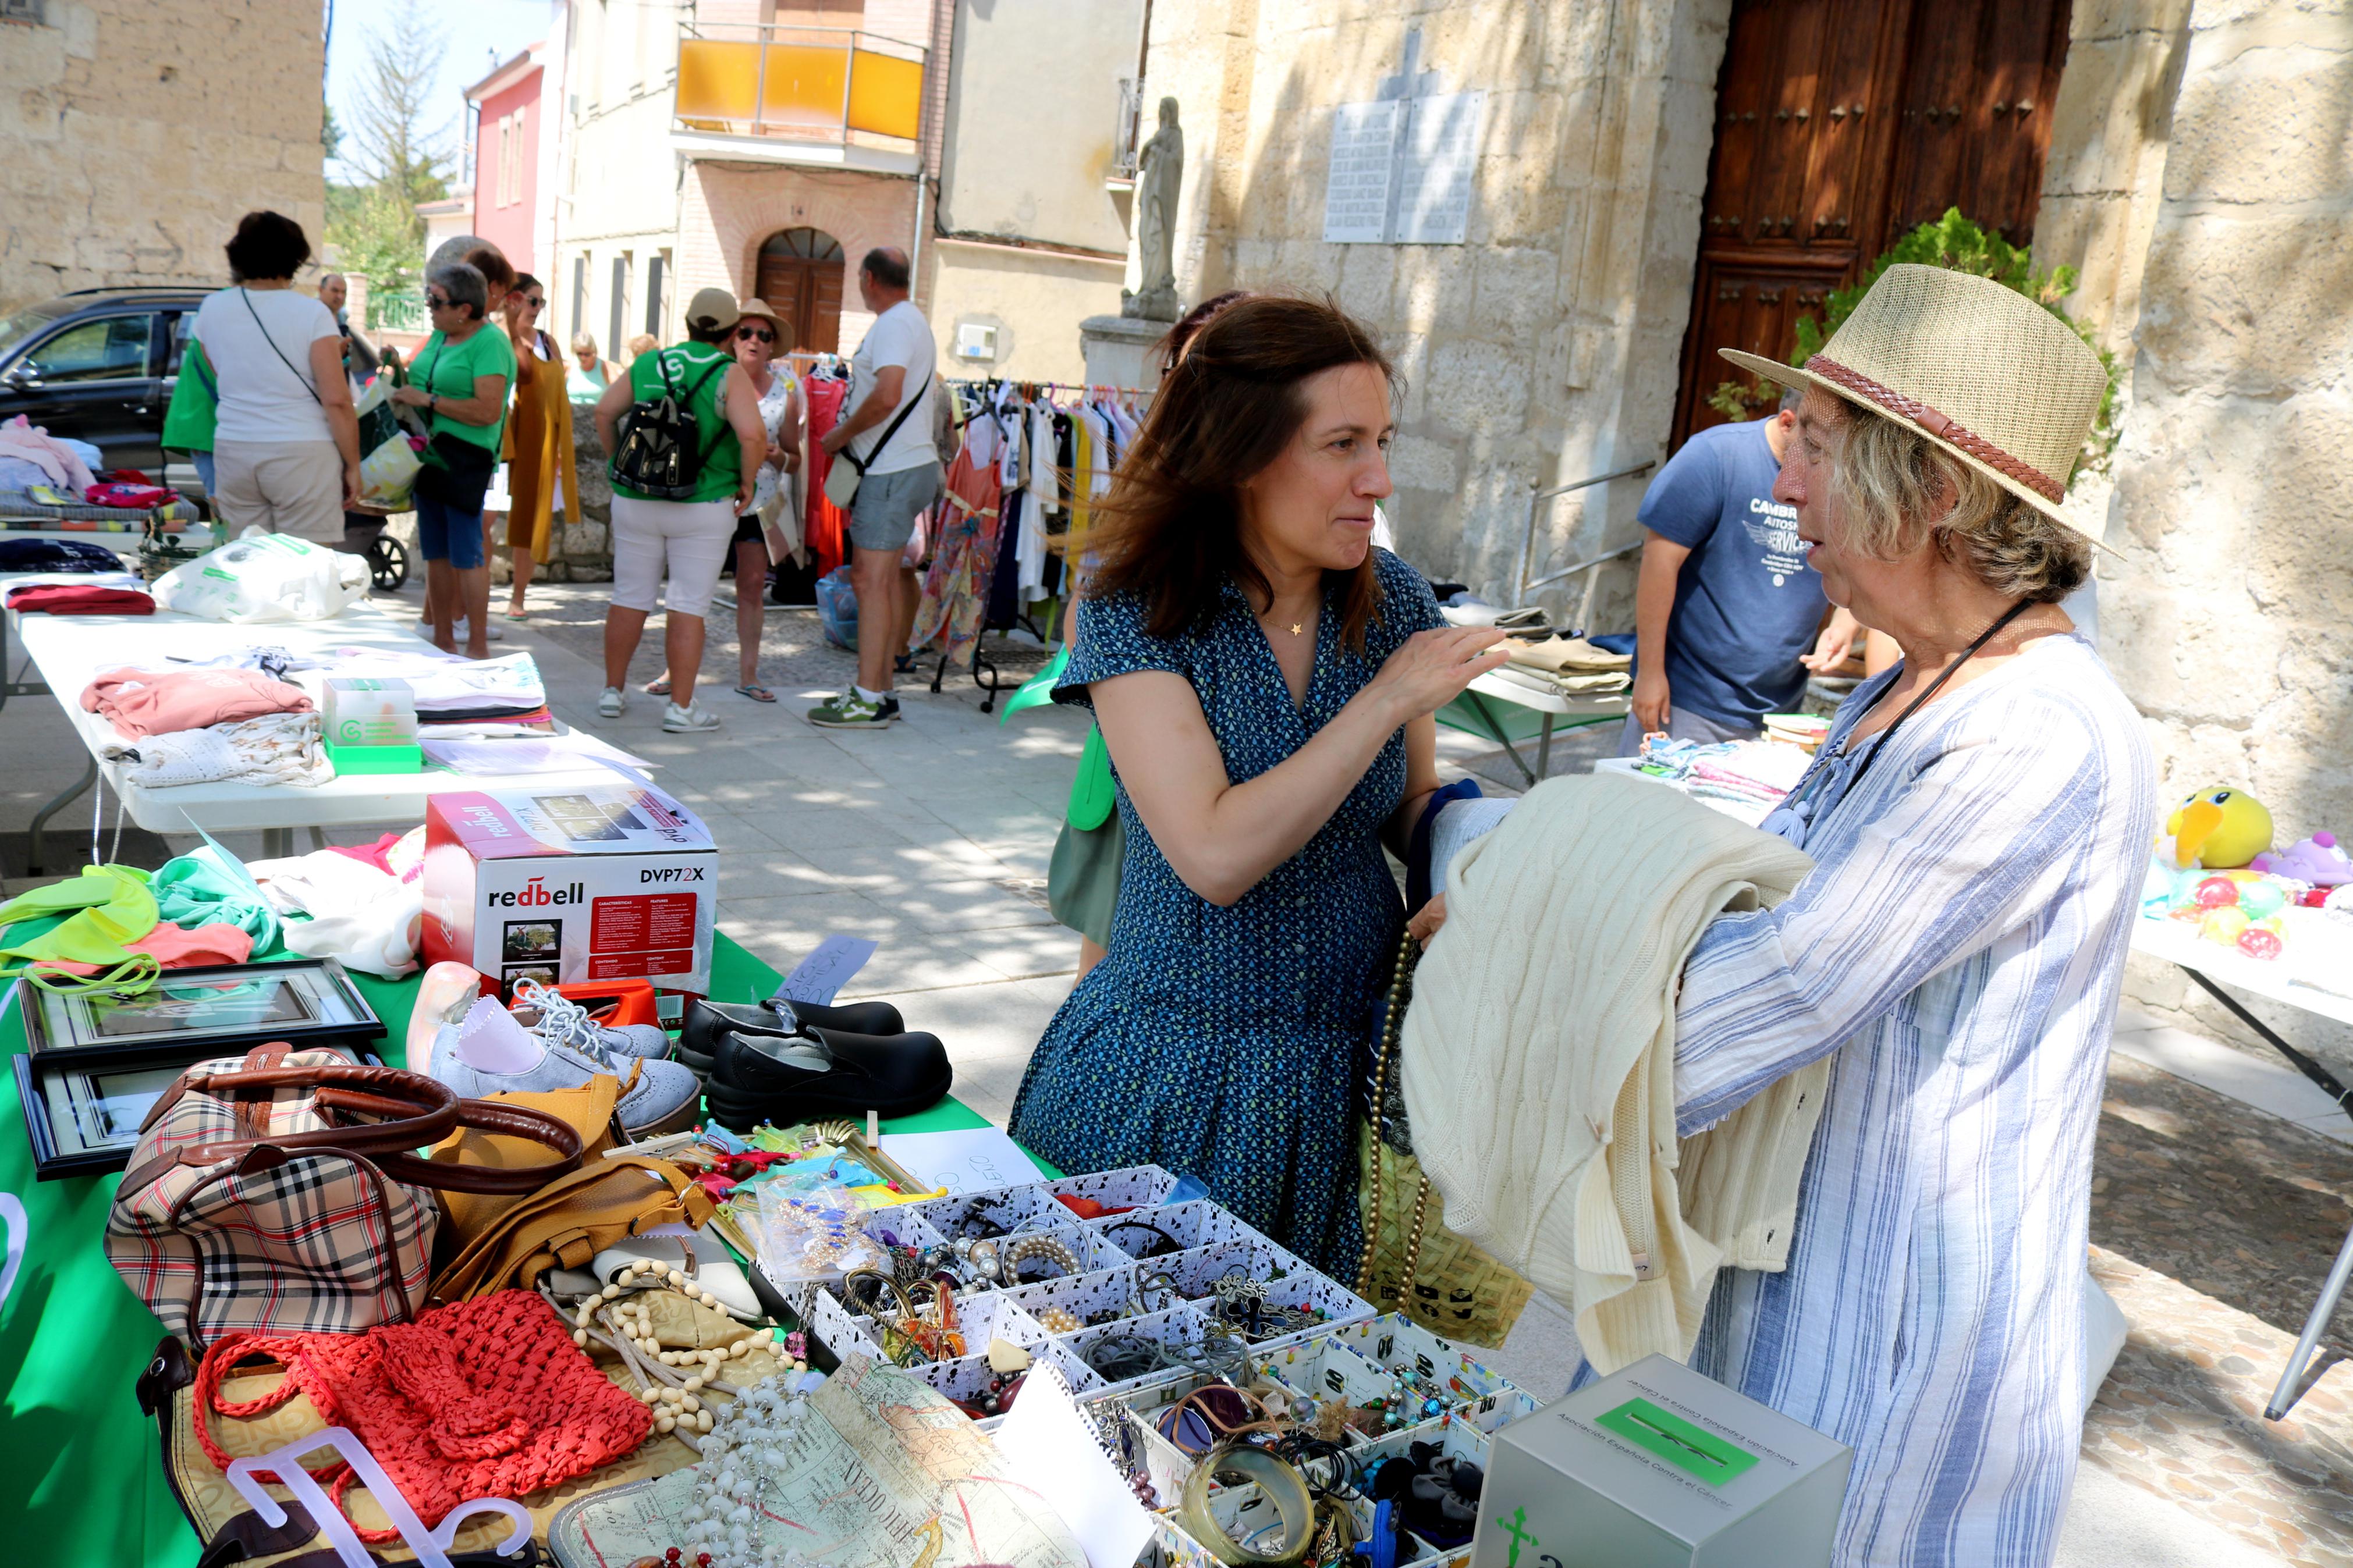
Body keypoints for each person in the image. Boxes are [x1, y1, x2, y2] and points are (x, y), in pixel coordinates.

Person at [1434, 266, 2150, 1565]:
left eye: (1817, 451)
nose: (1781, 488)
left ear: (1932, 491)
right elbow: (1750, 898)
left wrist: (1500, 928)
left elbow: (1774, 989)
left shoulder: (2028, 732)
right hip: (1770, 1280)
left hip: (1885, 1320)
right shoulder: (1915, 688)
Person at [1005, 296, 1510, 1274]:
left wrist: (1493, 861)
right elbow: (1214, 853)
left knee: (1300, 1411)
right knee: (1118, 1383)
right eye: (1341, 445)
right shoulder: (1138, 610)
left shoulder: (1391, 596)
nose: (1378, 478)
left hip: (1342, 1084)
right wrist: (1383, 698)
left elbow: (1407, 806)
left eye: (1382, 440)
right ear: (1242, 457)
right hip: (1168, 1079)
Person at [1620, 382, 1848, 752]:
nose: (1823, 453)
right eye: (1816, 442)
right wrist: (1649, 672)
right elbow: (1659, 564)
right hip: (1685, 699)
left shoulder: (1833, 474)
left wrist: (1844, 623)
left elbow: (1854, 559)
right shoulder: (1714, 456)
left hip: (1780, 711)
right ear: (1788, 423)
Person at [591, 286, 766, 733]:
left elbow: (604, 412)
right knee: (688, 605)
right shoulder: (728, 373)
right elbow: (752, 436)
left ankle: (612, 692)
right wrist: (746, 483)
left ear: (688, 322)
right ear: (730, 332)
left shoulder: (650, 362)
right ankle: (681, 709)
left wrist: (618, 464)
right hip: (703, 502)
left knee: (629, 596)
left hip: (636, 498)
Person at [807, 247, 942, 730]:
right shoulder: (911, 320)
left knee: (869, 580)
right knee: (881, 581)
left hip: (890, 468)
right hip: (904, 465)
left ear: (867, 278)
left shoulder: (892, 324)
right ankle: (880, 692)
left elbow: (886, 395)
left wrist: (839, 436)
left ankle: (867, 696)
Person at [188, 211, 361, 539]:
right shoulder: (312, 314)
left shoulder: (212, 308)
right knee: (304, 569)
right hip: (302, 453)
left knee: (247, 567)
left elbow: (216, 371)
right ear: (295, 258)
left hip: (235, 449)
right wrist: (353, 465)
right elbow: (337, 400)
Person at [391, 261, 514, 660]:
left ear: (465, 307)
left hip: (465, 459)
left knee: (467, 554)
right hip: (427, 453)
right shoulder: (439, 337)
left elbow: (488, 410)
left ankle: (477, 645)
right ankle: (442, 639)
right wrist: (397, 372)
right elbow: (421, 382)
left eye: (436, 300)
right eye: (428, 297)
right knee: (435, 553)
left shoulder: (489, 342)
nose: (429, 306)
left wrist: (429, 400)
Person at [714, 298, 800, 702]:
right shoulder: (714, 379)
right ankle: (672, 669)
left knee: (750, 587)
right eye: (744, 332)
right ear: (732, 339)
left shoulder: (785, 392)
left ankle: (749, 674)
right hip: (712, 496)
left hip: (758, 503)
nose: (752, 340)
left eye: (762, 335)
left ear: (771, 346)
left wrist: (777, 455)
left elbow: (795, 459)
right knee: (693, 584)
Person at [496, 274, 576, 622]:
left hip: (536, 443)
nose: (538, 309)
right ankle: (469, 595)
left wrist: (558, 443)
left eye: (542, 302)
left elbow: (559, 393)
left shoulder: (547, 342)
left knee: (528, 518)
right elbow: (522, 376)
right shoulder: (495, 338)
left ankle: (518, 596)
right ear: (512, 300)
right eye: (532, 301)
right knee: (483, 521)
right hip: (500, 441)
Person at [316, 272, 380, 380]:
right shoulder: (311, 316)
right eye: (335, 291)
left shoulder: (342, 316)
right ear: (321, 290)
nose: (340, 296)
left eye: (343, 292)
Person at [567, 330, 617, 400]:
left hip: (596, 409)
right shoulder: (569, 367)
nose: (583, 358)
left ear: (594, 352)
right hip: (573, 408)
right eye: (579, 354)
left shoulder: (604, 367)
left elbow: (618, 390)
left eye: (587, 354)